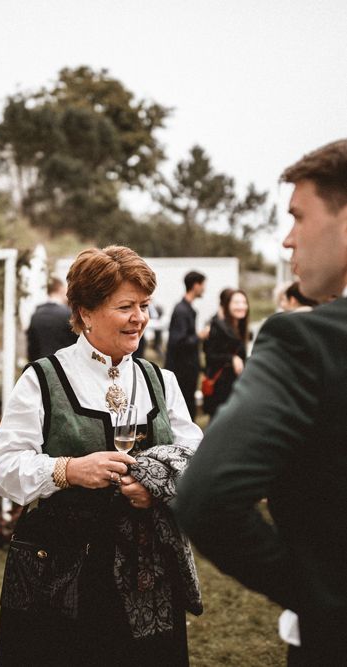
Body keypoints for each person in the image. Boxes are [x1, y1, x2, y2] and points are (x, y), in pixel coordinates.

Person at [173, 139, 347, 666]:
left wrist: (321, 598)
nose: (287, 238)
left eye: (298, 215)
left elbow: (206, 498)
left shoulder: (306, 341)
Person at [0, 246, 203, 667]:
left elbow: (196, 454)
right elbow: (1, 468)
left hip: (147, 575)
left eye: (144, 305)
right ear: (85, 312)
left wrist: (155, 486)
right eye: (125, 306)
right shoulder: (43, 379)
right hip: (66, 574)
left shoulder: (161, 381)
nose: (139, 317)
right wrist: (68, 470)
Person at [165, 271, 209, 419]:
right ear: (195, 286)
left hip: (188, 369)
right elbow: (177, 342)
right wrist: (200, 336)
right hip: (181, 371)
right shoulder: (181, 310)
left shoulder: (188, 309)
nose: (204, 289)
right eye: (203, 285)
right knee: (183, 409)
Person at [202, 288, 250, 417]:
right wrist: (232, 358)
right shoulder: (218, 326)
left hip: (234, 385)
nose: (241, 306)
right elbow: (210, 356)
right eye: (236, 302)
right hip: (220, 388)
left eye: (244, 302)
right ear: (227, 305)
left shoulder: (239, 326)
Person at [26, 276, 78, 361]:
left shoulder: (36, 315)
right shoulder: (68, 314)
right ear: (61, 289)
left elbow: (32, 348)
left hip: (42, 366)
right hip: (64, 365)